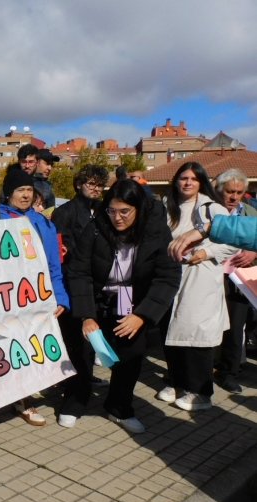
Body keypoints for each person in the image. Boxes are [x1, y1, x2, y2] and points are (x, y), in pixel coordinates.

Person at [67, 180, 181, 432]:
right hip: (97, 296)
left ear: (138, 208)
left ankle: (118, 408)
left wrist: (142, 315)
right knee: (82, 353)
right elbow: (79, 272)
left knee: (130, 356)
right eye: (112, 210)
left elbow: (168, 277)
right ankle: (74, 403)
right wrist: (86, 315)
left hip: (132, 300)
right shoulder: (96, 227)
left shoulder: (157, 232)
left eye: (124, 211)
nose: (117, 218)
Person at [0, 167, 70, 431]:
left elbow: (53, 265)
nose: (26, 195)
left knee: (25, 352)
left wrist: (59, 297)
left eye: (29, 190)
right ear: (8, 193)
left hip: (31, 299)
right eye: (20, 190)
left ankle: (22, 401)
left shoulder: (43, 223)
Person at [158, 162, 235, 411]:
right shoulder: (167, 207)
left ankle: (202, 392)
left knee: (196, 335)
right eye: (183, 178)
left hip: (199, 276)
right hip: (170, 275)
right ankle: (177, 382)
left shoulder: (213, 208)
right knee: (171, 330)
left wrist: (205, 252)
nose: (187, 183)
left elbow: (231, 241)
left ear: (201, 182)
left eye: (193, 178)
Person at [52, 164, 110, 414]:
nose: (96, 189)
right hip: (72, 282)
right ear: (78, 184)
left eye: (100, 185)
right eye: (91, 184)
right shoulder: (64, 212)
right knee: (72, 340)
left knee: (90, 341)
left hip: (99, 284)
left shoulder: (105, 211)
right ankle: (71, 383)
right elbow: (62, 250)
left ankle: (84, 377)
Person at [214, 169, 257, 394]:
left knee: (235, 325)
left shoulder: (251, 212)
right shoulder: (210, 210)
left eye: (239, 192)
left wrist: (253, 253)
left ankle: (227, 372)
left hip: (238, 278)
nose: (234, 197)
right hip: (211, 274)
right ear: (219, 190)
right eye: (230, 191)